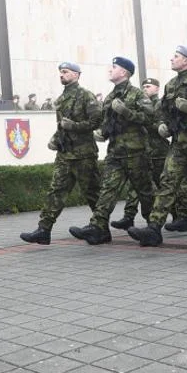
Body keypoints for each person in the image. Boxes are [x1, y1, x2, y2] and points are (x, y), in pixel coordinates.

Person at [127, 45, 187, 247]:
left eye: (176, 56)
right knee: (167, 183)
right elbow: (163, 109)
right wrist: (163, 123)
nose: (171, 59)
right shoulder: (171, 85)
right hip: (179, 143)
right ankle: (153, 228)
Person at [69, 57, 155, 244]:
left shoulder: (137, 95)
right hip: (115, 152)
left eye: (114, 67)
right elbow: (107, 123)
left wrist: (127, 112)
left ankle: (152, 228)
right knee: (107, 190)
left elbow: (150, 118)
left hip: (136, 152)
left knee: (145, 192)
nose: (110, 70)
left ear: (124, 72)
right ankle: (98, 228)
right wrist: (102, 133)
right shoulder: (109, 97)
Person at [20, 62, 102, 245]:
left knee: (93, 192)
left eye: (65, 72)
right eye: (60, 72)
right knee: (56, 191)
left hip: (84, 154)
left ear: (76, 74)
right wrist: (56, 138)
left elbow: (96, 121)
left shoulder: (85, 95)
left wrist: (74, 126)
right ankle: (43, 230)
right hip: (65, 154)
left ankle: (100, 228)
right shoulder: (62, 98)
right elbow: (62, 125)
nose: (61, 75)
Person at [110, 77, 169, 230]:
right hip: (143, 150)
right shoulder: (139, 104)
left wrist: (151, 125)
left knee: (164, 185)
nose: (145, 89)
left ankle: (178, 215)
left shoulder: (160, 104)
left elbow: (162, 123)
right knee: (135, 186)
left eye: (149, 86)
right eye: (143, 86)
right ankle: (129, 216)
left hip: (159, 151)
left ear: (157, 88)